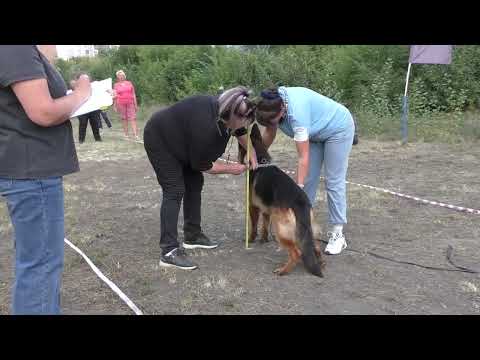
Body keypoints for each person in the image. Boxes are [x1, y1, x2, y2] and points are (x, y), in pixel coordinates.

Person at [0, 45, 91, 314]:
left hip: (29, 170)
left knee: (36, 262)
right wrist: (82, 94)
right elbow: (43, 111)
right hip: (33, 171)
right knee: (41, 265)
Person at [143, 86, 258, 270]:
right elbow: (202, 165)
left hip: (183, 140)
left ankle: (193, 235)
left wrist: (252, 153)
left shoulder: (225, 111)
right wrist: (232, 169)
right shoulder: (206, 127)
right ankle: (169, 251)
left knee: (195, 183)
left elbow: (240, 131)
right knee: (174, 190)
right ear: (231, 115)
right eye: (244, 121)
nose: (246, 126)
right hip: (160, 139)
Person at [255, 86, 355, 255]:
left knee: (333, 180)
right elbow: (270, 133)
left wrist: (297, 188)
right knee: (309, 179)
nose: (273, 125)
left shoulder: (297, 115)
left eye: (274, 121)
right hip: (315, 134)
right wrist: (257, 156)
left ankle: (338, 234)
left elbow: (303, 158)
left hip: (338, 128)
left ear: (283, 109)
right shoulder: (271, 105)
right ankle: (303, 229)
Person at [70, 76, 102, 143]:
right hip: (82, 110)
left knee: (95, 124)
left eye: (86, 79)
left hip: (93, 108)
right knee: (83, 124)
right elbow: (72, 91)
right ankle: (81, 140)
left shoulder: (94, 85)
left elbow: (103, 87)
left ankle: (98, 139)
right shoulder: (78, 87)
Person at [113, 70, 139, 139]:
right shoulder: (116, 85)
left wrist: (135, 104)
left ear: (124, 76)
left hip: (130, 102)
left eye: (122, 75)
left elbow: (133, 94)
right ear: (117, 77)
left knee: (133, 118)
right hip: (121, 103)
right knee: (124, 119)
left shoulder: (129, 83)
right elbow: (114, 96)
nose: (121, 77)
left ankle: (135, 134)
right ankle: (126, 134)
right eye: (119, 76)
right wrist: (115, 105)